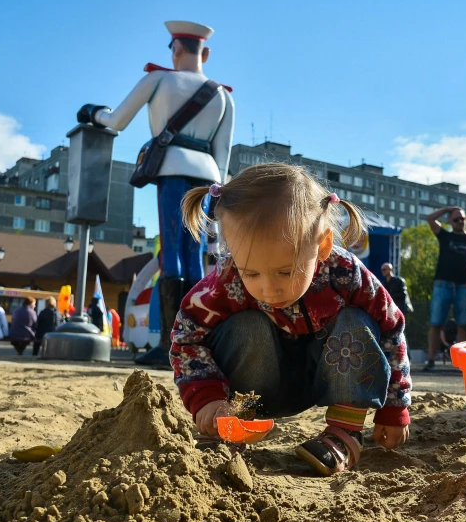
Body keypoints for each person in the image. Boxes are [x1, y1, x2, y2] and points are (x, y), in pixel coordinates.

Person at [172, 163, 411, 477]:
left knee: (357, 320)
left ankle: (343, 433)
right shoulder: (227, 280)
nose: (269, 289)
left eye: (286, 271)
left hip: (327, 379)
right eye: (251, 272)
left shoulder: (346, 274)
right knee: (245, 325)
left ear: (322, 245)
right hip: (259, 387)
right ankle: (230, 429)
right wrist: (207, 398)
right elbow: (187, 334)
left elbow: (391, 326)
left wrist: (395, 406)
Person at [78, 20, 235, 367]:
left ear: (176, 48)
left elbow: (116, 120)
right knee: (196, 255)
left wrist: (92, 112)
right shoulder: (222, 95)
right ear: (205, 53)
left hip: (171, 169)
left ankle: (169, 342)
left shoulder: (158, 79)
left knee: (171, 254)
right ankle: (195, 341)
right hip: (206, 175)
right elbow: (222, 154)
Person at [423, 206, 466, 371]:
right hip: (442, 285)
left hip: (463, 286)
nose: (460, 222)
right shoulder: (445, 236)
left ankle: (462, 362)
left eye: (462, 218)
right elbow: (430, 219)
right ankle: (431, 360)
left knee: (463, 323)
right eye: (456, 219)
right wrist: (448, 208)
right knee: (436, 323)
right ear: (450, 221)